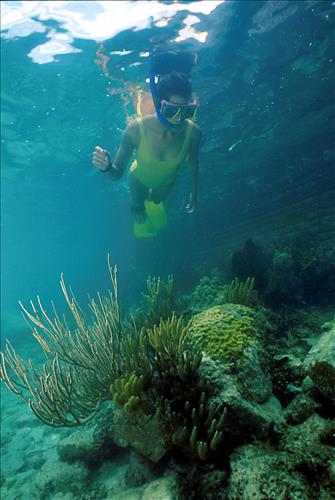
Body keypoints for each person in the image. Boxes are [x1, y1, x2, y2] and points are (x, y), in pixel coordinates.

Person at [92, 66, 202, 236]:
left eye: (187, 111)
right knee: (138, 205)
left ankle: (150, 205)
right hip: (138, 179)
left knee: (157, 201)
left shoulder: (193, 133)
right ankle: (137, 209)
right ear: (159, 106)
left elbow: (193, 162)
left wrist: (194, 196)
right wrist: (106, 167)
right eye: (172, 111)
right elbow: (116, 175)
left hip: (167, 182)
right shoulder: (136, 129)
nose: (179, 119)